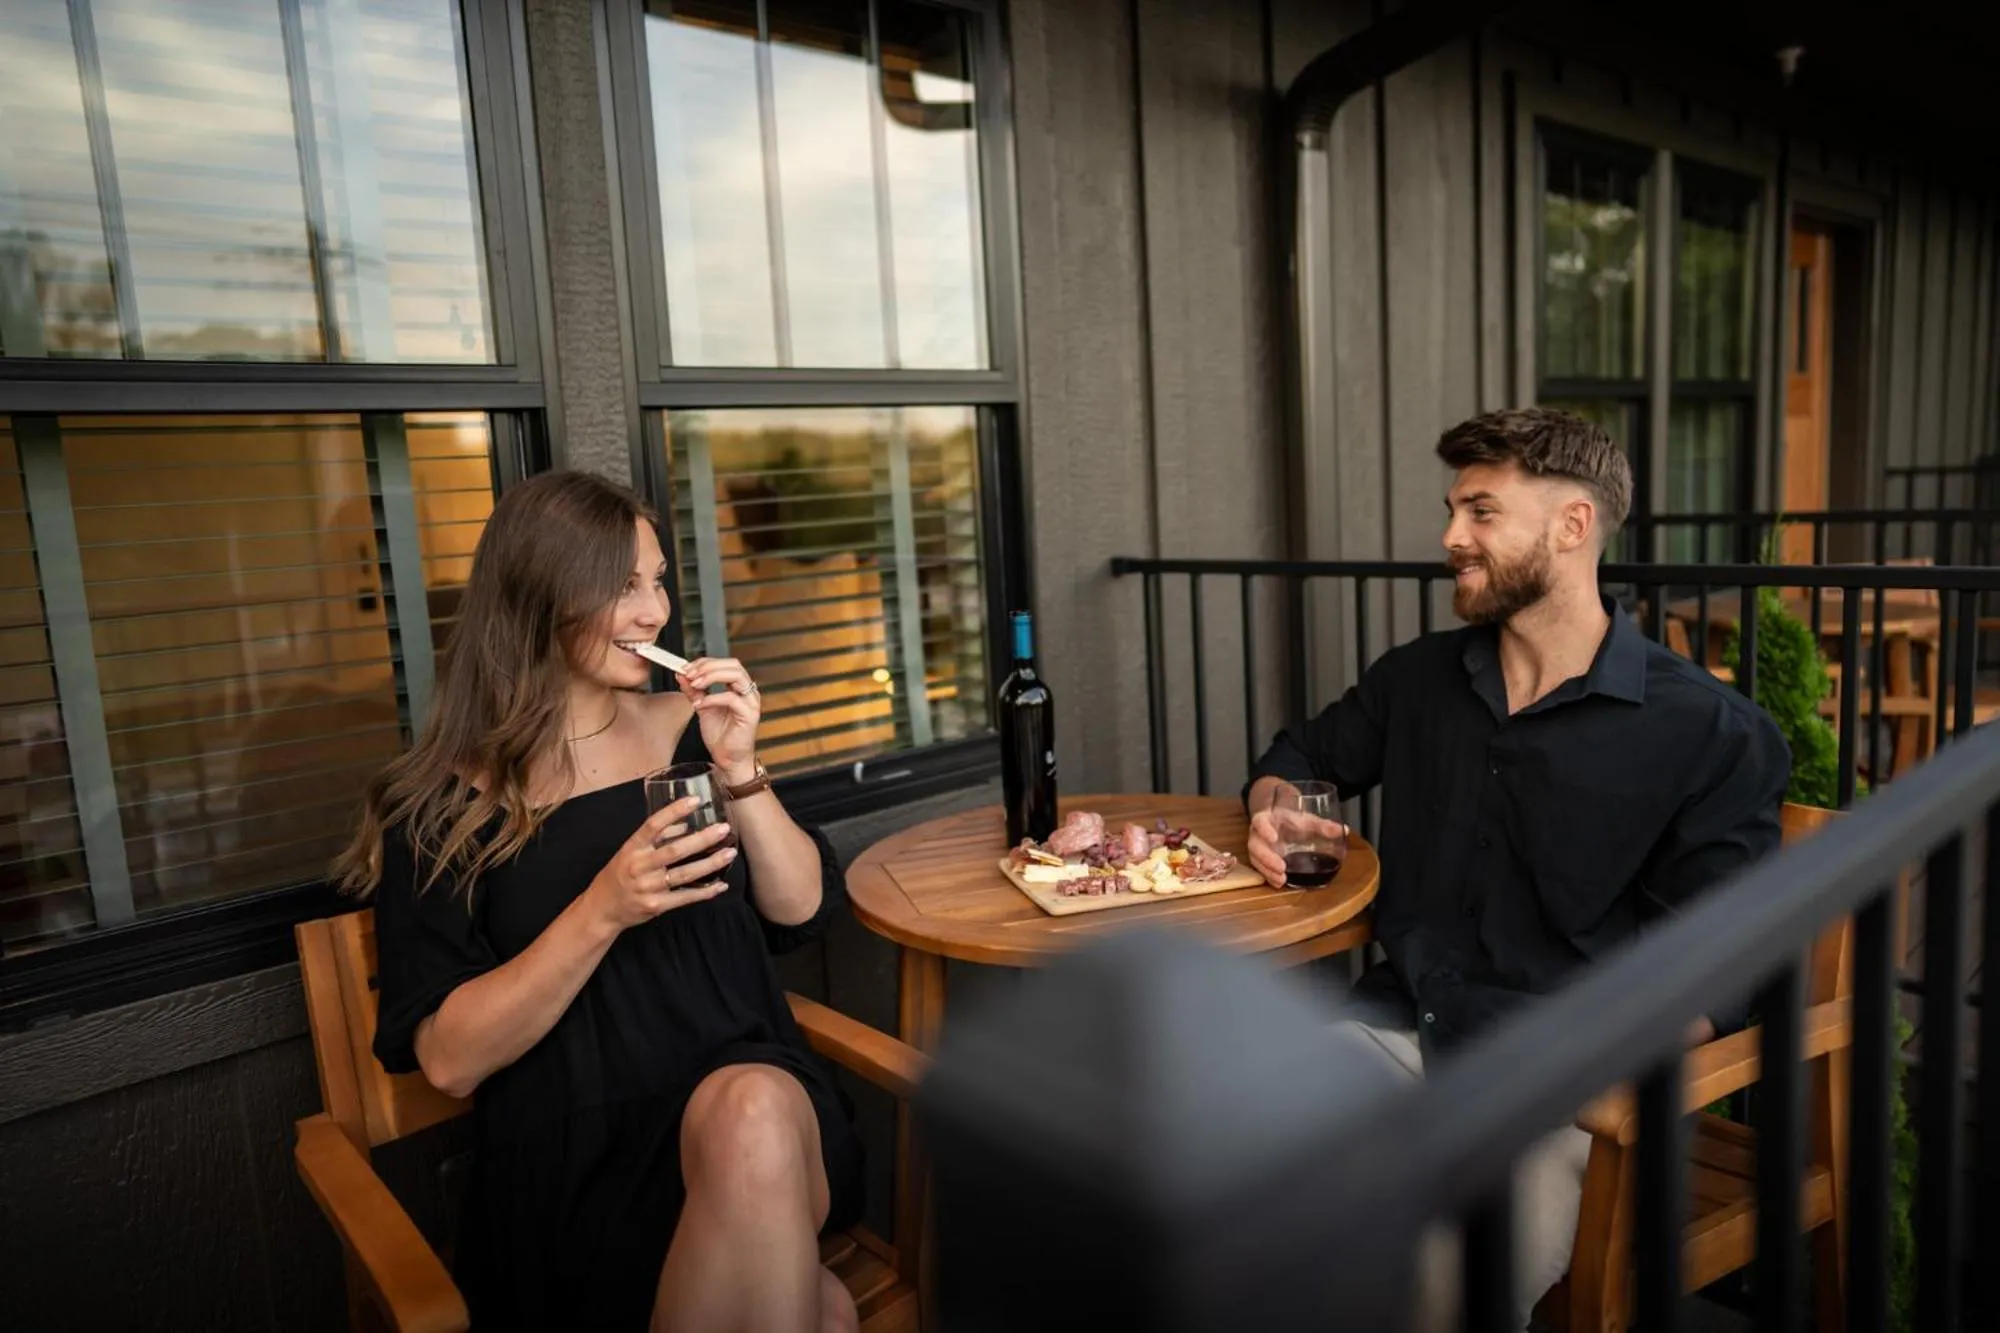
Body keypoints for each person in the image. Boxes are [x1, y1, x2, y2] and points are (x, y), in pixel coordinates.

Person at [1242, 408, 1790, 1328]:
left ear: (1573, 527)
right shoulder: (1417, 679)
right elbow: (1297, 756)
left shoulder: (1711, 733)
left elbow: (1720, 968)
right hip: (1393, 1033)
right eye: (1453, 509)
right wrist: (1274, 810)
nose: (1451, 537)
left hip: (1569, 1092)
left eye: (1482, 512)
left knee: (1433, 1274)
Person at [331, 471, 865, 1333]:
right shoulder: (439, 806)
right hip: (577, 1163)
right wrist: (603, 908)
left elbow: (800, 909)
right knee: (823, 1312)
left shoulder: (690, 732)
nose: (655, 611)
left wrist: (740, 771)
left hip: (759, 1119)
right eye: (623, 586)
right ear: (540, 596)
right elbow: (449, 1061)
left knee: (752, 1112)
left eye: (656, 581)